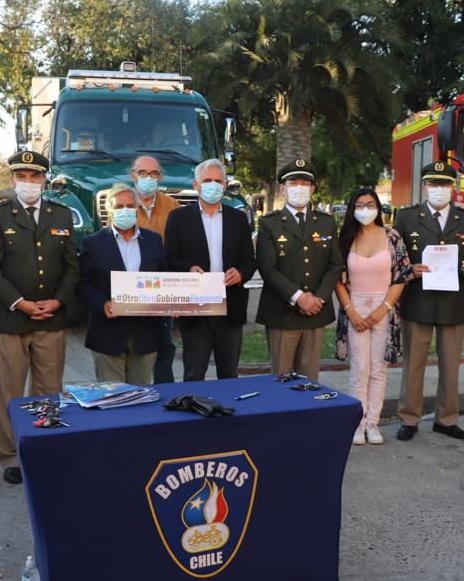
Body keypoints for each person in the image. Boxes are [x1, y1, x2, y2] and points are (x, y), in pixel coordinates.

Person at [0, 150, 78, 485]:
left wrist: (58, 301)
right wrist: (20, 303)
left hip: (51, 319)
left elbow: (71, 267)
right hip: (10, 320)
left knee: (48, 390)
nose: (28, 182)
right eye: (21, 176)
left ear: (44, 180)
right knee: (10, 393)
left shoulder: (61, 215)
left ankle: (44, 447)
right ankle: (11, 456)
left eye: (34, 176)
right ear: (12, 179)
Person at [393, 161, 464, 441]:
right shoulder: (406, 217)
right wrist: (411, 270)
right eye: (434, 184)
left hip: (453, 301)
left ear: (452, 188)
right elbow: (396, 259)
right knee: (413, 363)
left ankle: (446, 419)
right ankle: (409, 418)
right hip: (418, 299)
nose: (439, 189)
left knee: (450, 364)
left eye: (444, 184)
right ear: (424, 187)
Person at [164, 159, 257, 380]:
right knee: (194, 373)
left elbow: (249, 260)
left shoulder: (238, 218)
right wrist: (187, 269)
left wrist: (241, 273)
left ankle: (228, 414)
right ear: (196, 185)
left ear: (225, 186)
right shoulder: (178, 218)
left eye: (218, 181)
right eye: (207, 180)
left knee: (229, 375)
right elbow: (169, 258)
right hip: (196, 308)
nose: (213, 185)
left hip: (230, 307)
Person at [333, 188, 412, 445]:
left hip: (384, 309)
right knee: (359, 369)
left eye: (370, 204)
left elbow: (402, 276)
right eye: (359, 204)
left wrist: (382, 309)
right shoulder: (345, 239)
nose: (365, 209)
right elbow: (337, 280)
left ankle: (373, 424)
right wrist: (351, 311)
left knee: (378, 369)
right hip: (353, 307)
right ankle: (357, 424)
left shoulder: (392, 236)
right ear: (351, 209)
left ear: (378, 207)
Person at [255, 159, 343, 381]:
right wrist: (298, 297)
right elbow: (268, 269)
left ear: (312, 189)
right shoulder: (269, 224)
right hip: (281, 314)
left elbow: (335, 265)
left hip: (315, 312)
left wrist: (318, 299)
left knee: (309, 380)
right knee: (281, 380)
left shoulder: (326, 222)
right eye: (294, 183)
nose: (300, 188)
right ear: (283, 189)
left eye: (305, 183)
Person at [77, 183, 167, 384]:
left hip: (146, 334)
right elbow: (83, 284)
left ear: (136, 208)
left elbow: (164, 277)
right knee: (111, 401)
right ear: (109, 211)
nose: (125, 210)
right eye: (118, 207)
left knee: (140, 398)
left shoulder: (153, 240)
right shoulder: (92, 243)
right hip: (107, 334)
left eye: (129, 205)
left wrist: (175, 301)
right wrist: (102, 304)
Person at [130, 155, 179, 384]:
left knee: (165, 346)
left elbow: (178, 249)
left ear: (159, 177)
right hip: (131, 290)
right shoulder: (123, 204)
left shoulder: (172, 206)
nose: (148, 178)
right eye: (143, 173)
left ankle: (165, 395)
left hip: (162, 289)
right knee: (134, 347)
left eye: (154, 174)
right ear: (133, 175)